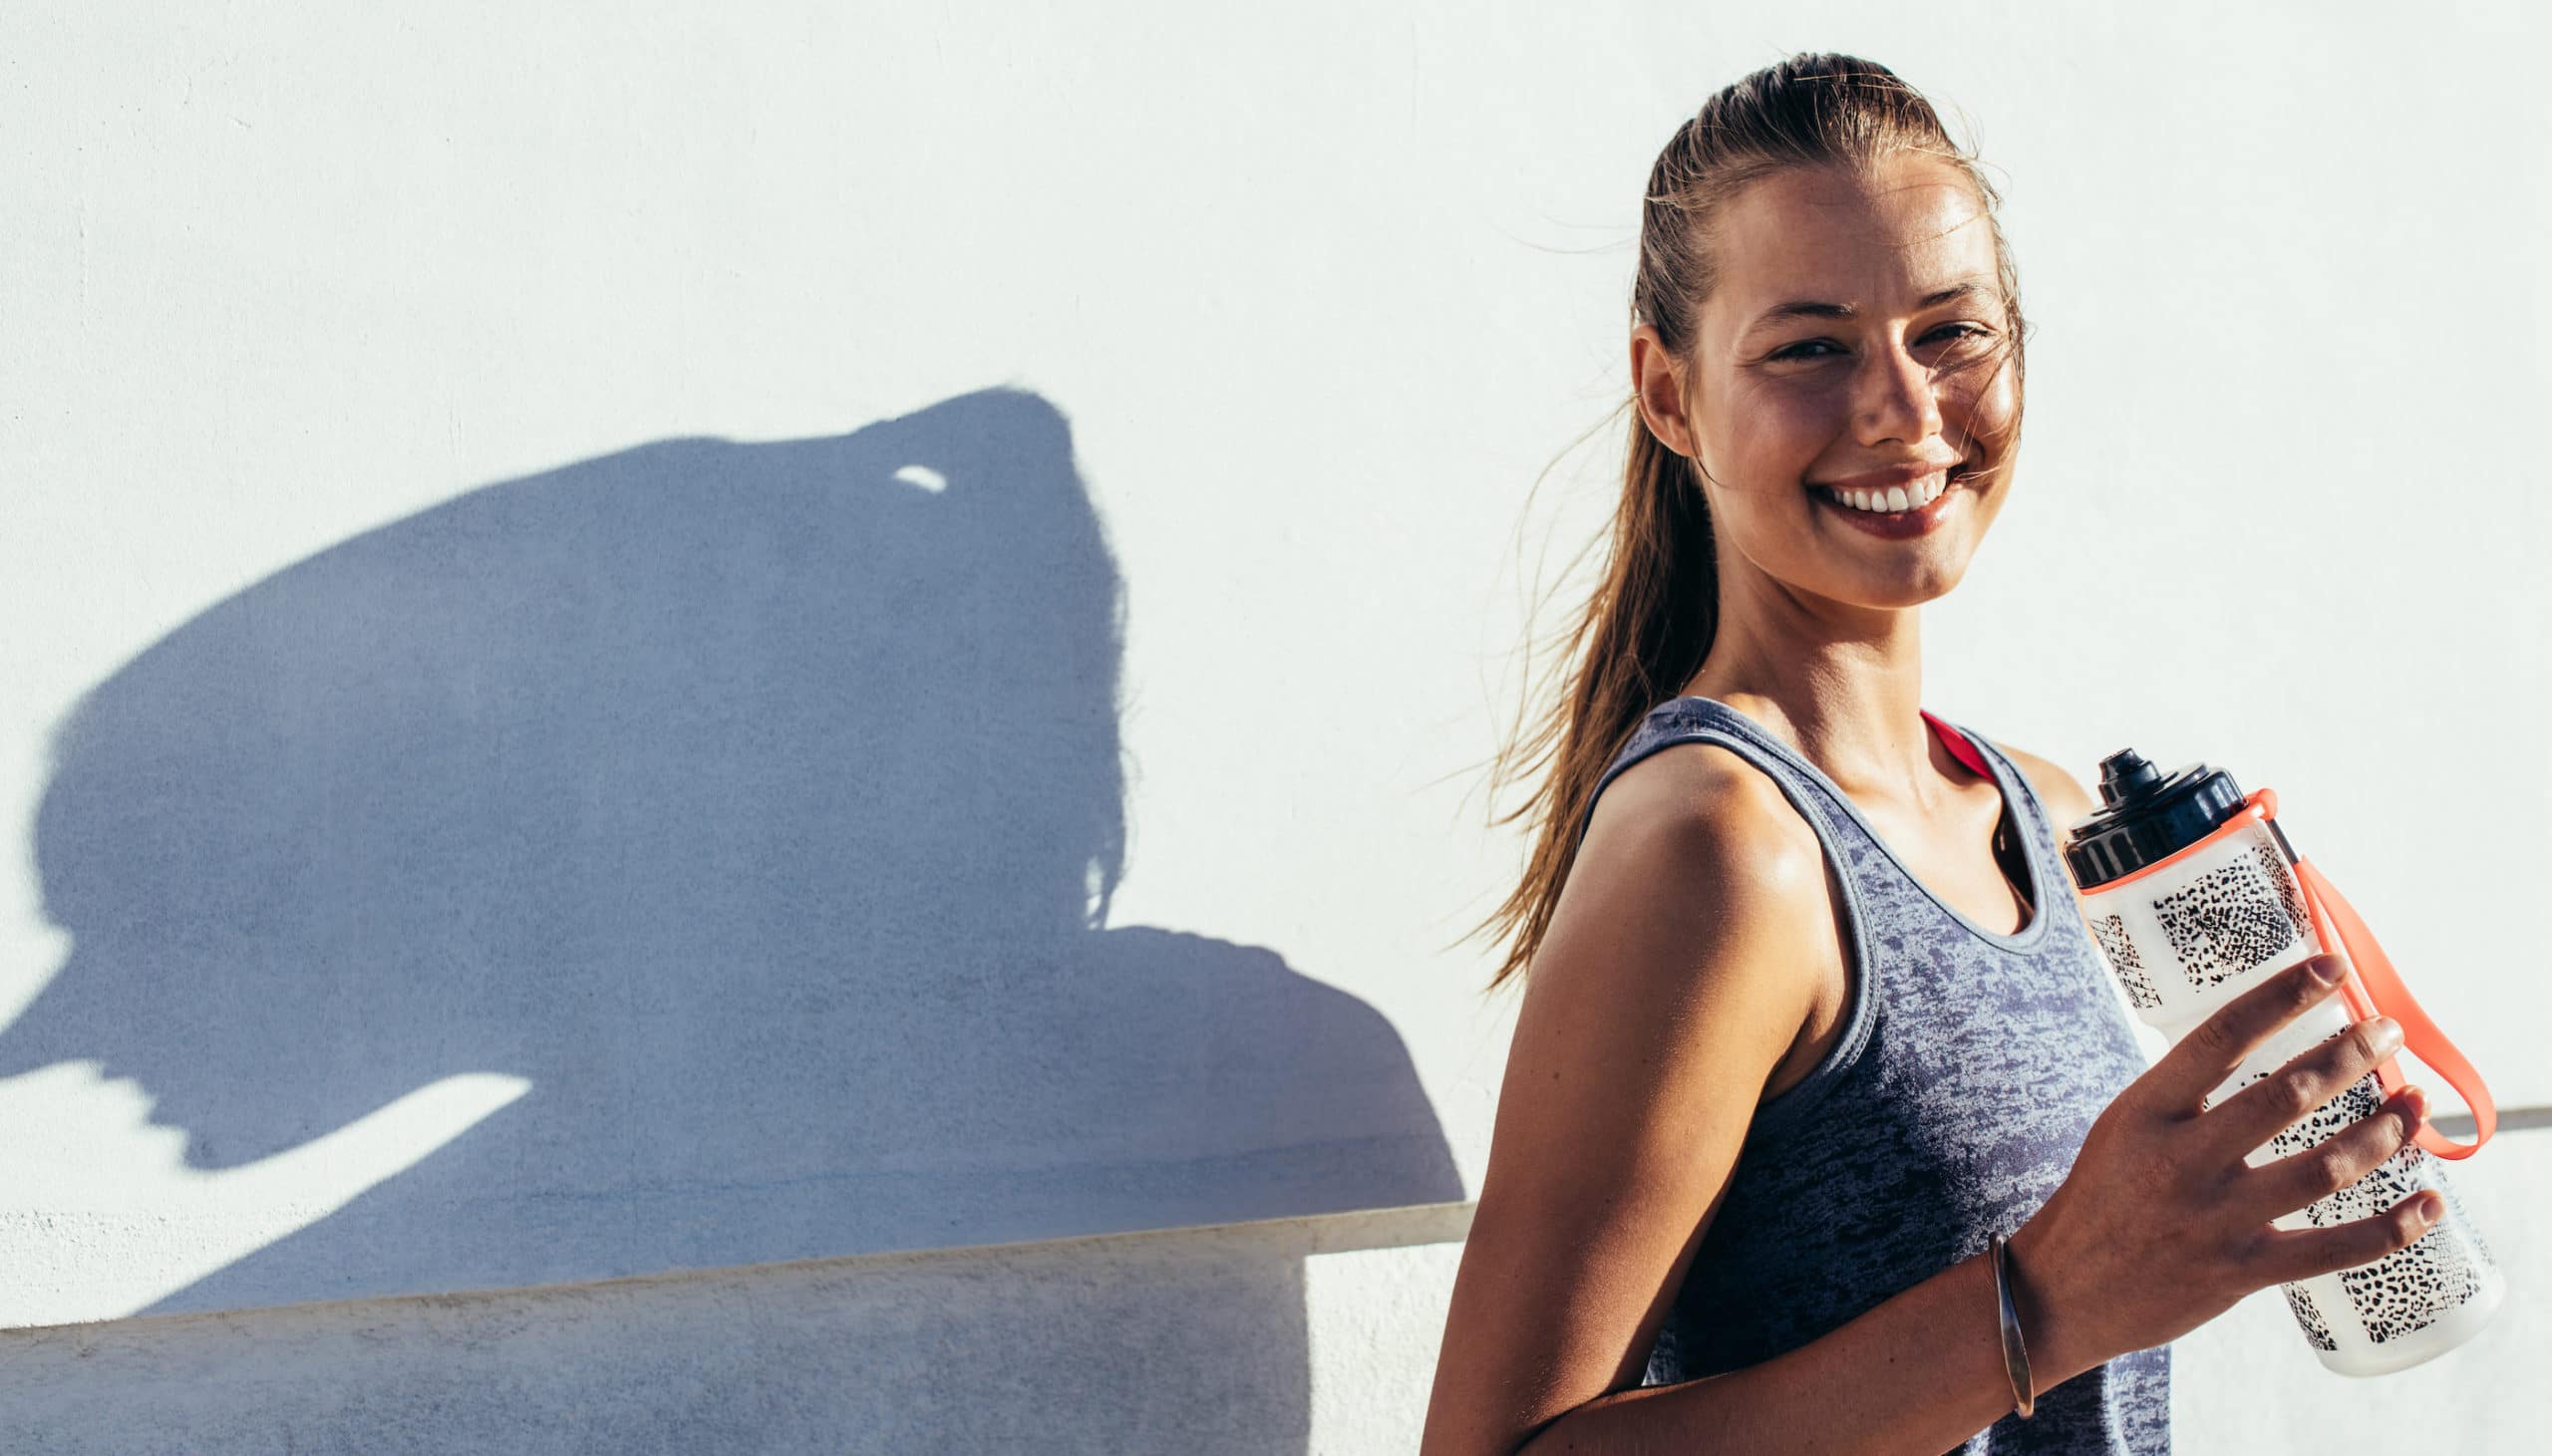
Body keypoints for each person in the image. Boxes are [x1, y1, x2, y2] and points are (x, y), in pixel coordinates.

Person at [1419, 53, 2441, 1456]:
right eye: (1811, 347)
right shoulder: (1723, 849)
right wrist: (2046, 1301)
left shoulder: (2045, 814)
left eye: (1951, 331)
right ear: (1670, 394)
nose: (1904, 409)